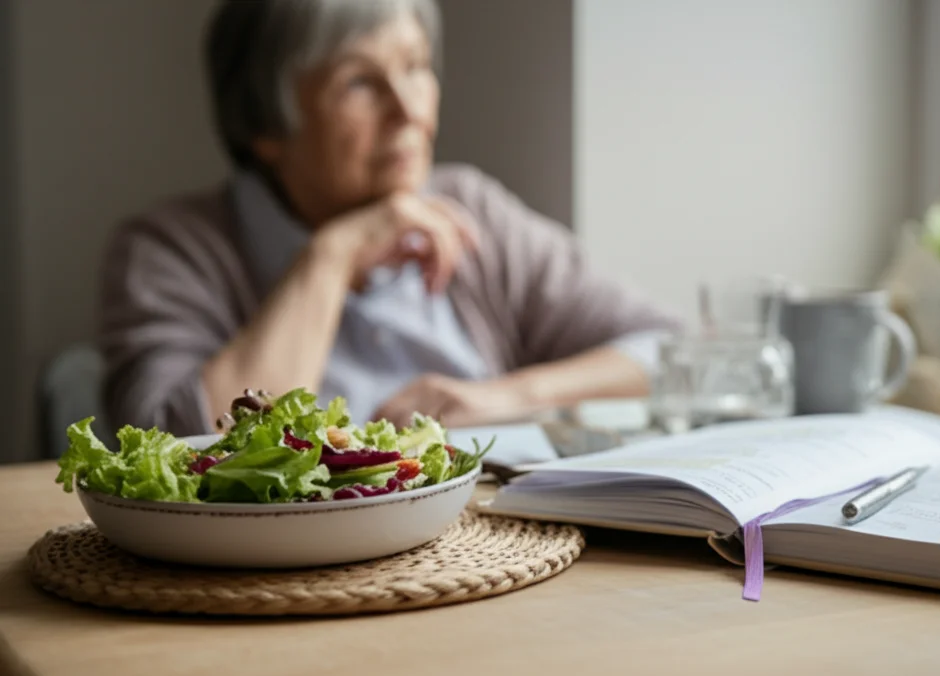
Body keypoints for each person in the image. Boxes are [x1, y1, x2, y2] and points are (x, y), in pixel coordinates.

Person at [99, 0, 678, 435]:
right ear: (265, 125)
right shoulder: (169, 251)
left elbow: (668, 352)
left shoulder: (473, 210)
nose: (409, 109)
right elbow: (179, 444)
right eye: (358, 83)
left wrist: (503, 397)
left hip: (482, 559)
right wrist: (330, 258)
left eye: (416, 67)